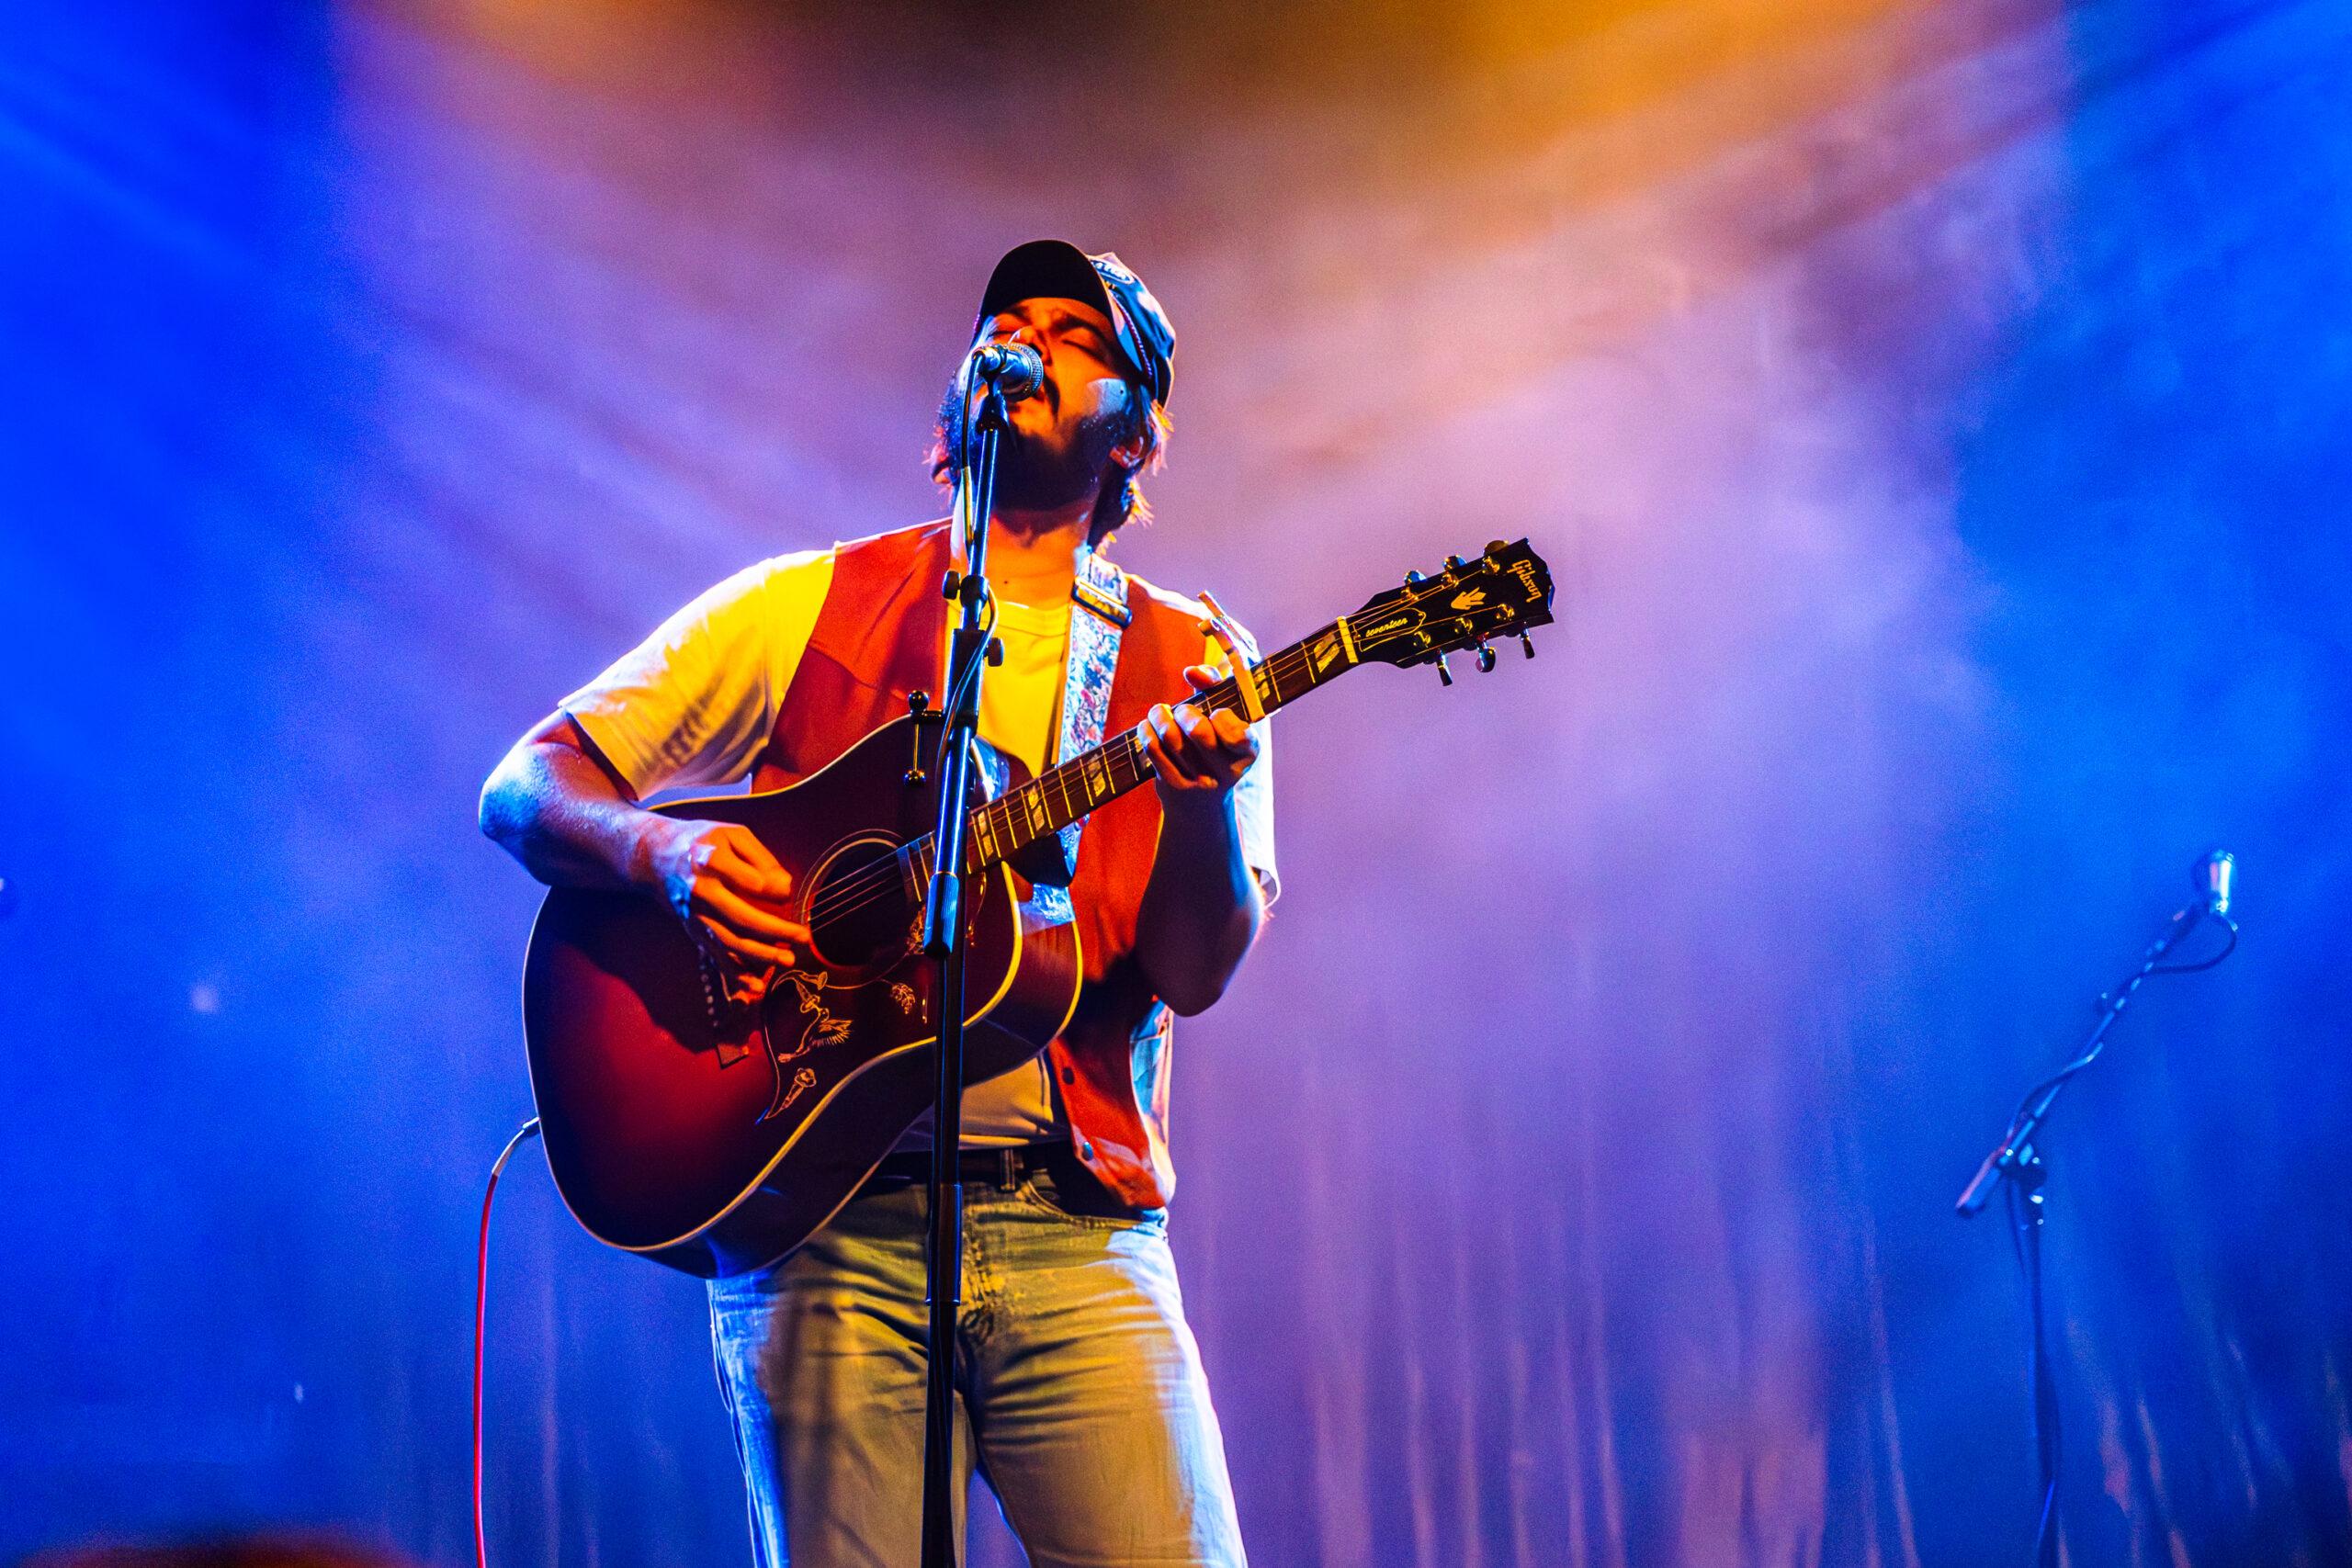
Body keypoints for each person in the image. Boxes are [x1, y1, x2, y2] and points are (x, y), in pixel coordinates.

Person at [479, 241, 1273, 1566]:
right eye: (1007, 320)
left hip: (1077, 1234)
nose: (1024, 340)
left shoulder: (1194, 661)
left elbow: (1196, 973)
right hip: (822, 1228)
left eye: (1075, 335)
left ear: (1137, 436)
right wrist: (664, 859)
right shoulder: (806, 607)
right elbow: (523, 787)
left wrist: (1200, 800)